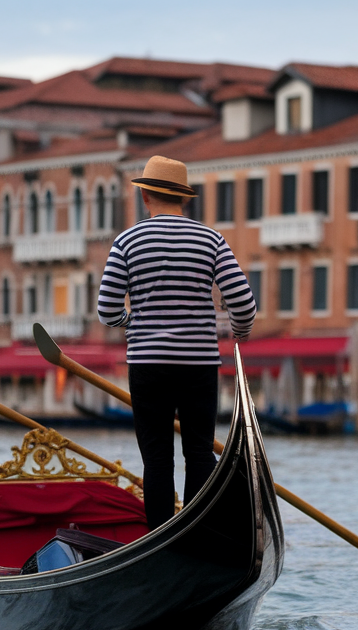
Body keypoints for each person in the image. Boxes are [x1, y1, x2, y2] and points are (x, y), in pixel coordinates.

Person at [97, 155, 256, 530]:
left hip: (148, 365)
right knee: (199, 454)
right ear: (183, 199)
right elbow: (244, 303)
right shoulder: (211, 239)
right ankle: (197, 533)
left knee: (157, 460)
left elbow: (106, 309)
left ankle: (161, 537)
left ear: (146, 197)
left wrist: (133, 324)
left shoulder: (127, 241)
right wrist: (240, 332)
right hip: (199, 366)